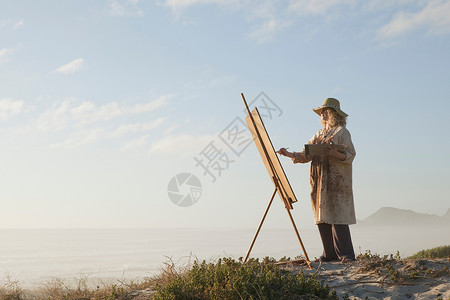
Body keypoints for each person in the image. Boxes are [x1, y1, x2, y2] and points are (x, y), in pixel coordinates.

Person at [277, 98, 356, 263]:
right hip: (319, 180)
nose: (322, 113)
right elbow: (307, 154)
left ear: (333, 113)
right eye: (321, 111)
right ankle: (329, 254)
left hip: (337, 181)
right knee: (322, 216)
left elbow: (350, 154)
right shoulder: (319, 134)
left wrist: (334, 153)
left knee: (338, 216)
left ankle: (346, 255)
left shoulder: (342, 132)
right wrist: (288, 154)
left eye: (325, 110)